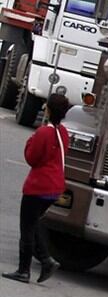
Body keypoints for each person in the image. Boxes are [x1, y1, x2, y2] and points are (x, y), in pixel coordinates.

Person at [2, 94, 70, 284]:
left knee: (27, 227)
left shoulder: (43, 133)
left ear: (48, 109)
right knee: (35, 223)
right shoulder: (63, 132)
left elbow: (32, 157)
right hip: (55, 185)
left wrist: (31, 141)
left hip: (39, 186)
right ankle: (46, 260)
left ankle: (24, 269)